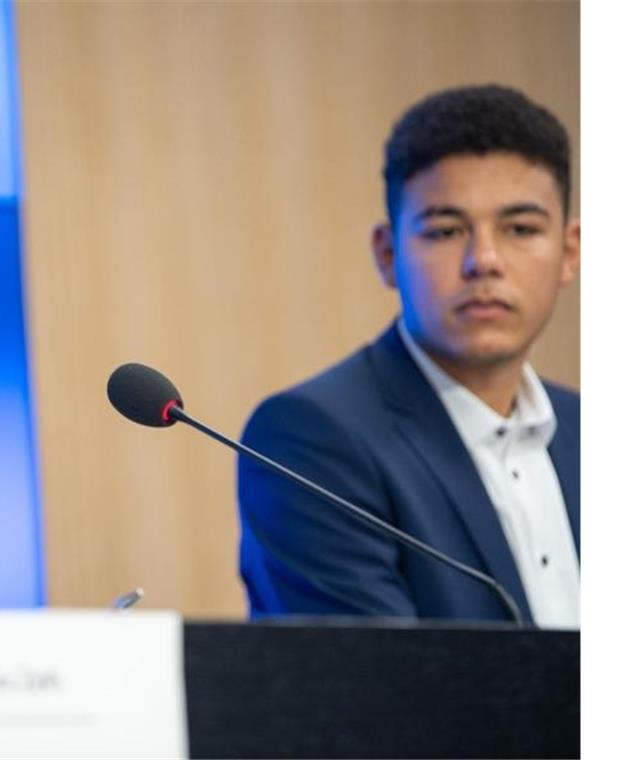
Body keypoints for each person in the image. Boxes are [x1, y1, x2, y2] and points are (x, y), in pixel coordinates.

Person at [238, 84, 580, 627]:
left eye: (520, 229)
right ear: (387, 253)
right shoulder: (309, 441)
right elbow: (382, 698)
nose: (484, 261)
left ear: (568, 253)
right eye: (446, 230)